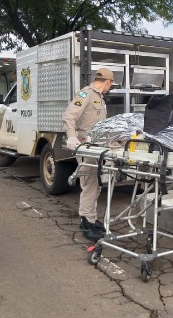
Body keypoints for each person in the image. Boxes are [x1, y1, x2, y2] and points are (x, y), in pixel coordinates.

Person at [62, 68, 114, 241]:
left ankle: (91, 218)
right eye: (111, 84)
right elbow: (69, 116)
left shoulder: (99, 97)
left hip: (96, 147)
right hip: (86, 146)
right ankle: (86, 221)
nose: (110, 87)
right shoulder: (86, 94)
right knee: (89, 184)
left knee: (95, 184)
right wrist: (71, 137)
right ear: (108, 81)